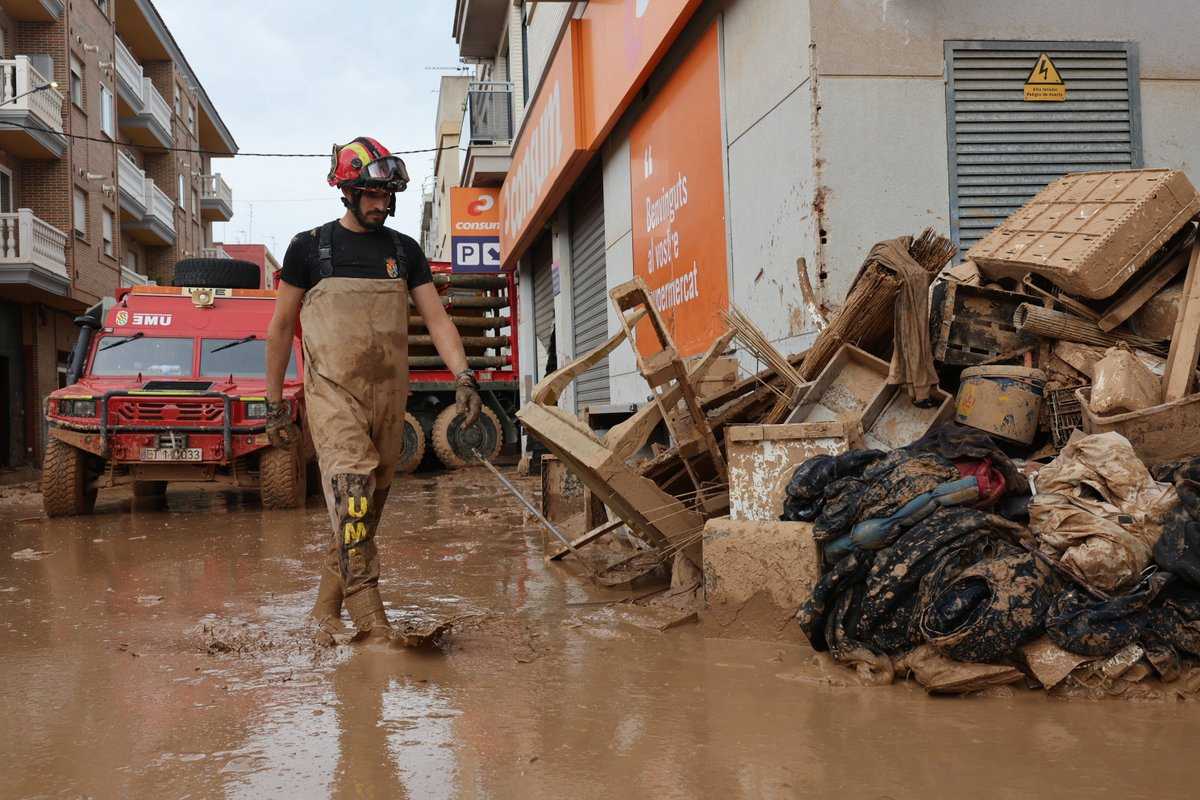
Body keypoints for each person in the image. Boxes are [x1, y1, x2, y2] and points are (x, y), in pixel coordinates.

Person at [264, 136, 482, 644]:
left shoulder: (403, 252)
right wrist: (272, 402)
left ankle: (324, 611)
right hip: (333, 395)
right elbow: (279, 328)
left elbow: (436, 319)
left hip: (388, 400)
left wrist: (464, 376)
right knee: (353, 497)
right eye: (372, 196)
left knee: (361, 516)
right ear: (347, 191)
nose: (382, 206)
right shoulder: (309, 248)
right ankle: (373, 626)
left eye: (388, 197)